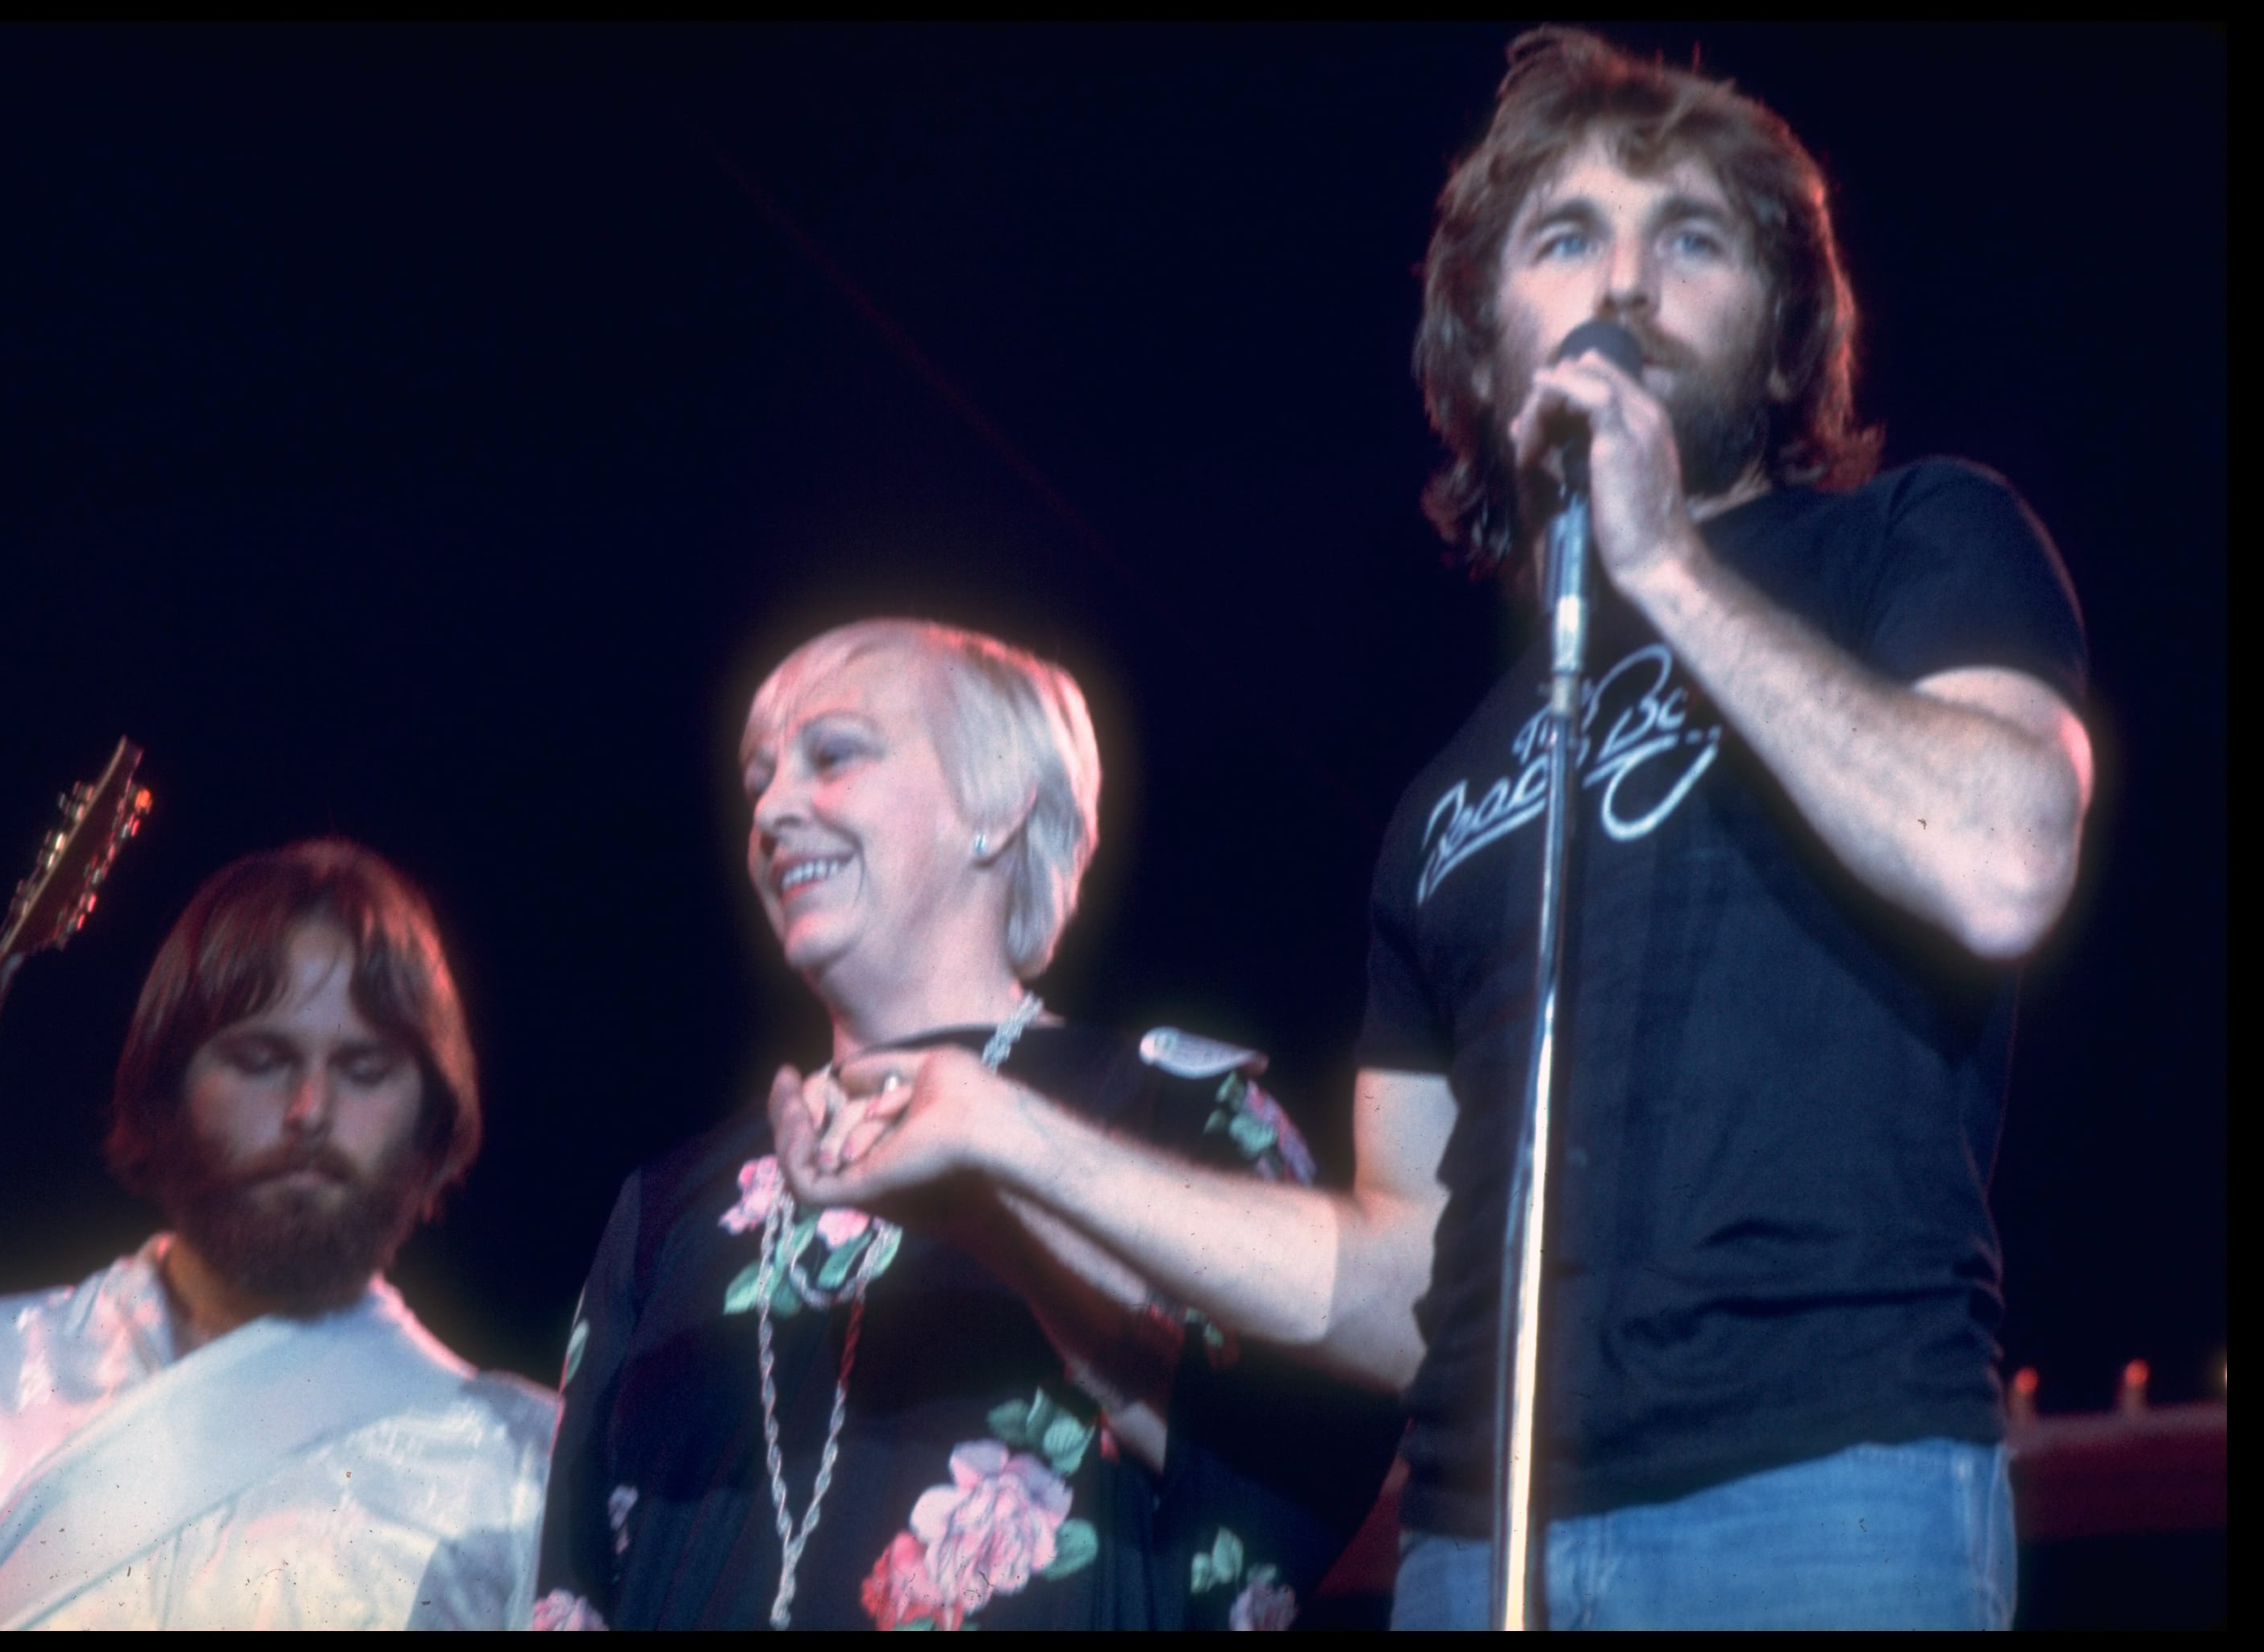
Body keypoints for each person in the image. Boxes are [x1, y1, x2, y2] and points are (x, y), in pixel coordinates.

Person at [778, 30, 2092, 1632]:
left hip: (1820, 1492)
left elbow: (2004, 857)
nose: (1627, 274)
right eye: (1567, 236)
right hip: (1482, 1543)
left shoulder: (1917, 538)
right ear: (1487, 345)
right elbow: (1402, 1286)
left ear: (1781, 333)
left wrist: (1667, 564)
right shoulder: (1450, 799)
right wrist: (998, 1140)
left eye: (1692, 234)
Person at [532, 618, 1397, 1632]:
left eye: (834, 755)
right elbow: (576, 1579)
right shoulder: (671, 1199)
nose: (771, 808)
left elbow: (1303, 1468)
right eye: (760, 777)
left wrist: (1013, 1207)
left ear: (993, 811)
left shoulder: (1174, 1110)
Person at [0, 839, 557, 1629]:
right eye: (260, 1057)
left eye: (364, 1067)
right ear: (167, 1085)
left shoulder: (515, 1465)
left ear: (430, 1111)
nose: (309, 1108)